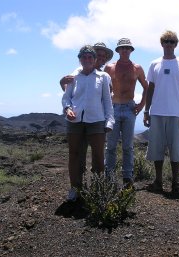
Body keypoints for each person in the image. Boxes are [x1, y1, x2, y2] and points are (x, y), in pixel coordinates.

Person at [62, 45, 114, 202]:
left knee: (98, 156)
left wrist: (109, 120)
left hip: (96, 120)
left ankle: (98, 189)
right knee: (74, 154)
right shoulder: (73, 76)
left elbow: (107, 100)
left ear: (94, 59)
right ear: (80, 59)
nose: (87, 60)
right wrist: (67, 109)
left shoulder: (103, 77)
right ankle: (75, 188)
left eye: (90, 57)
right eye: (83, 57)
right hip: (75, 120)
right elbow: (66, 97)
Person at [143, 30, 179, 196]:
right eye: (166, 41)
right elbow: (150, 88)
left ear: (176, 44)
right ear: (162, 44)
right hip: (156, 112)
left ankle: (176, 184)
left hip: (176, 113)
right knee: (156, 147)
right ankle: (158, 181)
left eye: (172, 41)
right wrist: (146, 111)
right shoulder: (154, 64)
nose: (169, 44)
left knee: (176, 149)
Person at [104, 38, 148, 188]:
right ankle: (108, 176)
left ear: (131, 50)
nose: (125, 50)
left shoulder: (137, 68)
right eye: (122, 48)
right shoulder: (109, 68)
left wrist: (141, 105)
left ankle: (127, 177)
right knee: (110, 145)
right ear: (117, 50)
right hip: (113, 108)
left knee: (128, 146)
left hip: (130, 108)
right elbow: (104, 89)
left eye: (127, 48)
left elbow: (146, 87)